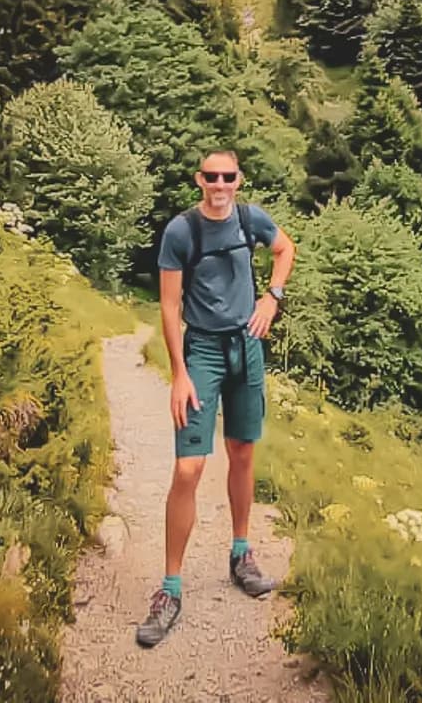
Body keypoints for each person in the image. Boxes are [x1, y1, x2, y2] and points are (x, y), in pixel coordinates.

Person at [133, 147, 296, 648]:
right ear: (198, 180)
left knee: (243, 452)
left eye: (228, 176)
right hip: (201, 349)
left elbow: (285, 249)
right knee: (189, 468)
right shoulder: (182, 231)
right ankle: (170, 588)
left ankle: (241, 554)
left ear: (239, 180)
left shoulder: (252, 219)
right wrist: (179, 373)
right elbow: (168, 304)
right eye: (212, 176)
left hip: (246, 348)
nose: (220, 184)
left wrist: (273, 297)